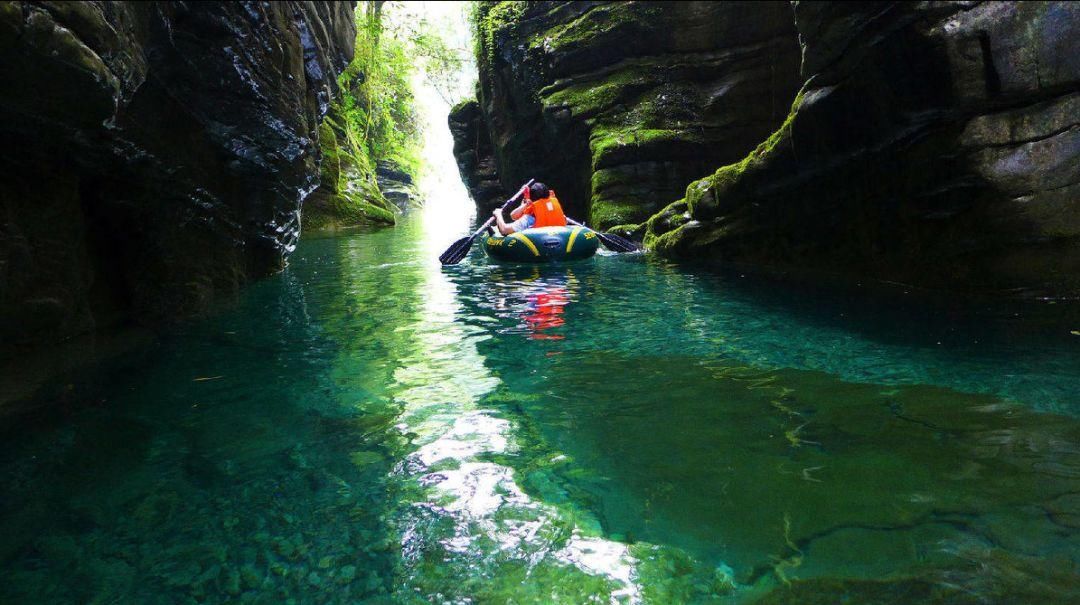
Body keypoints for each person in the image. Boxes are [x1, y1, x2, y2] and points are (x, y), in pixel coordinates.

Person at [492, 181, 567, 235]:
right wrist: (526, 197)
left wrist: (498, 214)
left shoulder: (529, 219)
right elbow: (514, 216)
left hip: (538, 243)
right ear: (548, 194)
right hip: (559, 239)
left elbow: (504, 230)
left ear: (532, 199)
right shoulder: (553, 206)